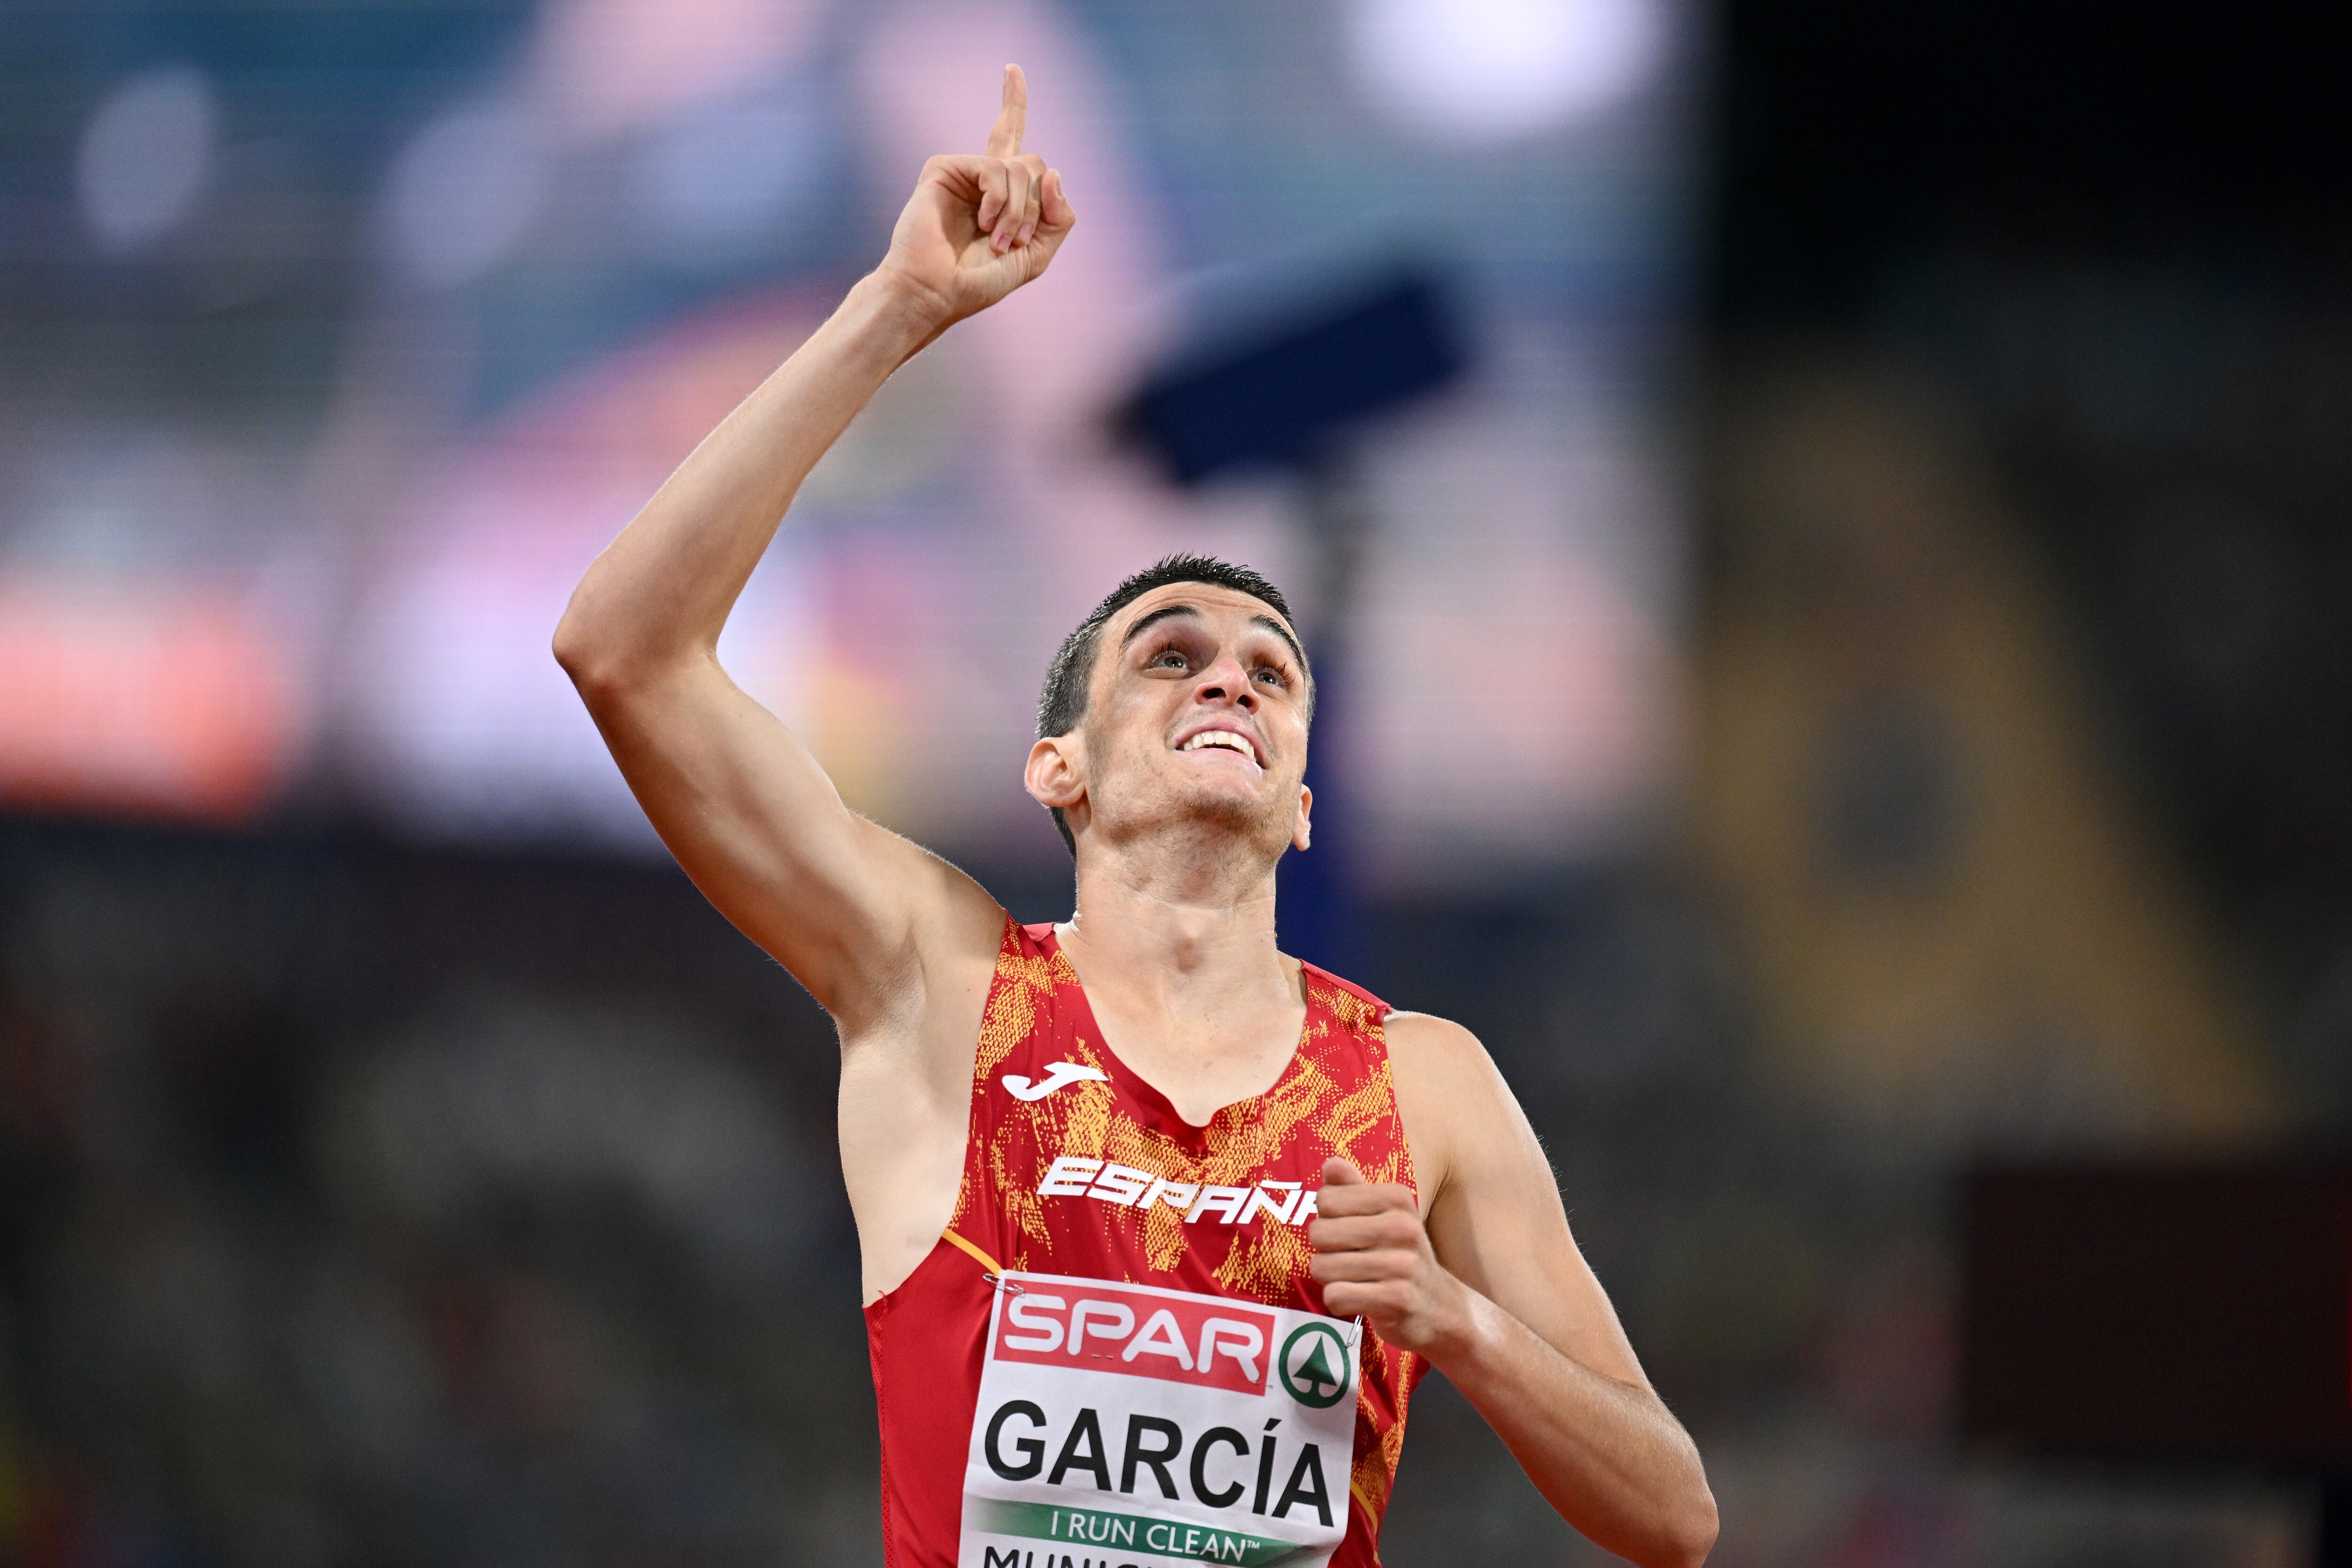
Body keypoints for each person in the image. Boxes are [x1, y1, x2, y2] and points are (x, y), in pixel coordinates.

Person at [554, 64, 1716, 1568]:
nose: (1226, 680)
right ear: (1062, 769)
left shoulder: (1428, 1089)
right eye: (1168, 654)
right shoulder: (941, 986)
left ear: (1307, 802)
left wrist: (1459, 1322)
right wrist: (898, 311)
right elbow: (624, 651)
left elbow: (1676, 1514)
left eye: (1270, 672)